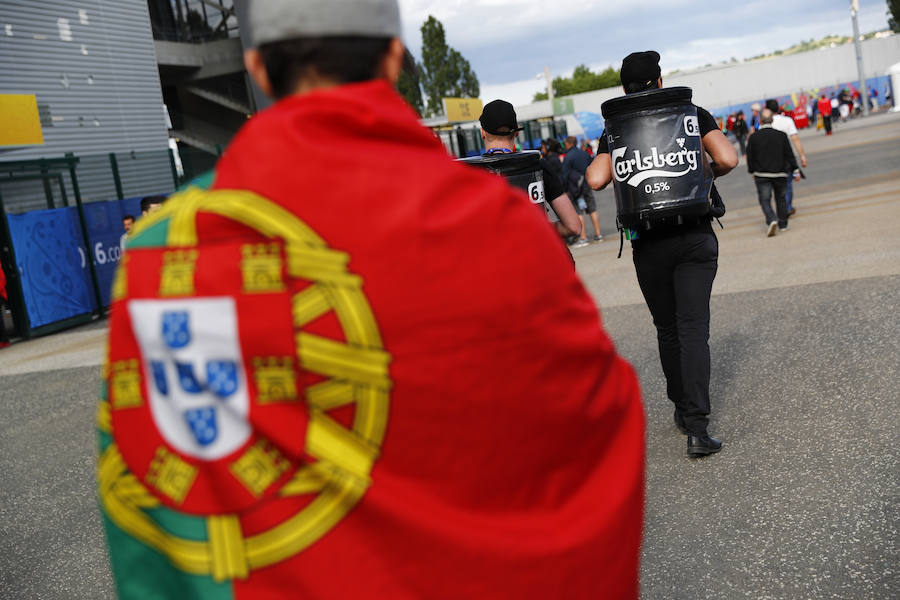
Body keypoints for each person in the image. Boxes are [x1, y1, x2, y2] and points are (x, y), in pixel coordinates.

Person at [98, 0, 645, 597]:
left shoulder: (166, 250)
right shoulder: (497, 224)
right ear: (392, 58)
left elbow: (151, 487)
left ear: (256, 66)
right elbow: (591, 421)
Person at [586, 50, 738, 458]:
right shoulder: (690, 112)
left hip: (649, 242)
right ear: (659, 81)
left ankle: (680, 408)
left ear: (624, 89)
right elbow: (727, 157)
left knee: (667, 329)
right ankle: (698, 427)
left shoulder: (617, 126)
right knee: (693, 329)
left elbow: (596, 178)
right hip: (693, 235)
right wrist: (704, 172)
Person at [478, 100, 582, 242]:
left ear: (482, 132)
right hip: (535, 256)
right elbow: (574, 227)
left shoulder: (468, 172)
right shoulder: (536, 163)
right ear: (516, 133)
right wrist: (538, 228)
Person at [746, 108, 799, 236]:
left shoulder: (754, 138)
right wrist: (795, 169)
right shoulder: (781, 135)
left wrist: (752, 170)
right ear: (772, 120)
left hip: (761, 174)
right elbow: (789, 154)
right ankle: (783, 224)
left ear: (760, 121)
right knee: (780, 198)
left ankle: (771, 219)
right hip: (780, 172)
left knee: (765, 199)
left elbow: (750, 156)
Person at [765, 99, 806, 216]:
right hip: (786, 158)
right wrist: (802, 156)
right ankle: (787, 207)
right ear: (778, 108)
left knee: (777, 186)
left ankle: (782, 208)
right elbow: (795, 139)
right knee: (788, 184)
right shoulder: (787, 121)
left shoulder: (765, 123)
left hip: (771, 159)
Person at [540, 137, 583, 242]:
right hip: (567, 188)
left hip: (559, 191)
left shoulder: (549, 161)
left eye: (543, 147)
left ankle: (580, 237)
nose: (542, 149)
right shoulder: (558, 157)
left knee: (573, 215)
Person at [562, 136, 603, 245]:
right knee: (592, 209)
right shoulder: (584, 153)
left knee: (579, 212)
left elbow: (564, 176)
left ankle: (583, 237)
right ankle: (598, 235)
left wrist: (565, 189)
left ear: (569, 143)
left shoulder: (568, 157)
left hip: (575, 188)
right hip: (587, 185)